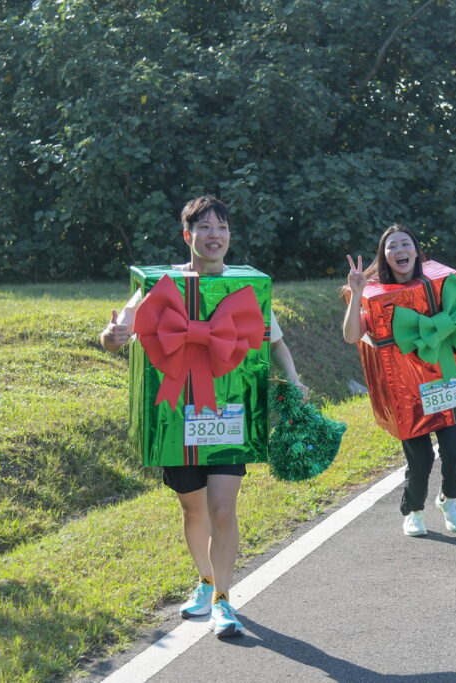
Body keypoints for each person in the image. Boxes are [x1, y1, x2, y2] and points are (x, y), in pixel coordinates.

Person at [100, 196, 308, 638]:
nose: (215, 235)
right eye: (206, 227)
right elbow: (117, 332)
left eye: (223, 227)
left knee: (222, 509)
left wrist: (293, 379)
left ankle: (224, 601)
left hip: (229, 415)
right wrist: (113, 335)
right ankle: (207, 580)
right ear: (188, 235)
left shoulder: (244, 288)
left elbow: (273, 342)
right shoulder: (160, 284)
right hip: (175, 417)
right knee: (193, 510)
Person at [343, 224, 456, 537]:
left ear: (416, 251)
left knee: (455, 452)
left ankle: (449, 499)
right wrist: (356, 295)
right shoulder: (378, 297)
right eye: (392, 246)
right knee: (420, 460)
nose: (400, 250)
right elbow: (352, 335)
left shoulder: (441, 286)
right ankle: (414, 510)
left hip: (447, 381)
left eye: (405, 244)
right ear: (384, 256)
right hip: (406, 393)